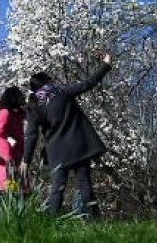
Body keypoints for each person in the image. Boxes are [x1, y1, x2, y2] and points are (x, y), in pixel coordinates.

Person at [20, 53, 112, 217]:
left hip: (57, 153)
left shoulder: (33, 106)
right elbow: (88, 83)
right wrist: (106, 65)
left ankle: (51, 222)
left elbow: (31, 136)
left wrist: (26, 160)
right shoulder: (61, 93)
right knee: (84, 184)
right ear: (47, 82)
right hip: (78, 148)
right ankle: (93, 219)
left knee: (57, 188)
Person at [0, 87, 26, 193]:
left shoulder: (19, 114)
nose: (22, 96)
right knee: (11, 193)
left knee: (22, 193)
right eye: (19, 94)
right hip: (7, 161)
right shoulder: (4, 113)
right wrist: (8, 157)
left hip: (19, 158)